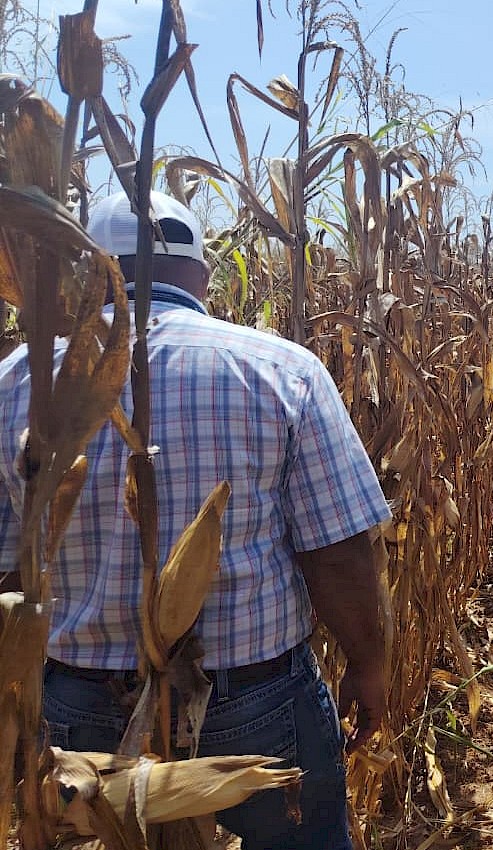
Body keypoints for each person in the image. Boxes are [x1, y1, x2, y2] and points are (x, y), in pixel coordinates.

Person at [0, 191, 391, 850]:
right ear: (204, 276)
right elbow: (340, 553)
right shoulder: (282, 370)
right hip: (255, 702)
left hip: (75, 715)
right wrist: (369, 664)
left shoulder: (17, 383)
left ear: (86, 273)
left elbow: (9, 570)